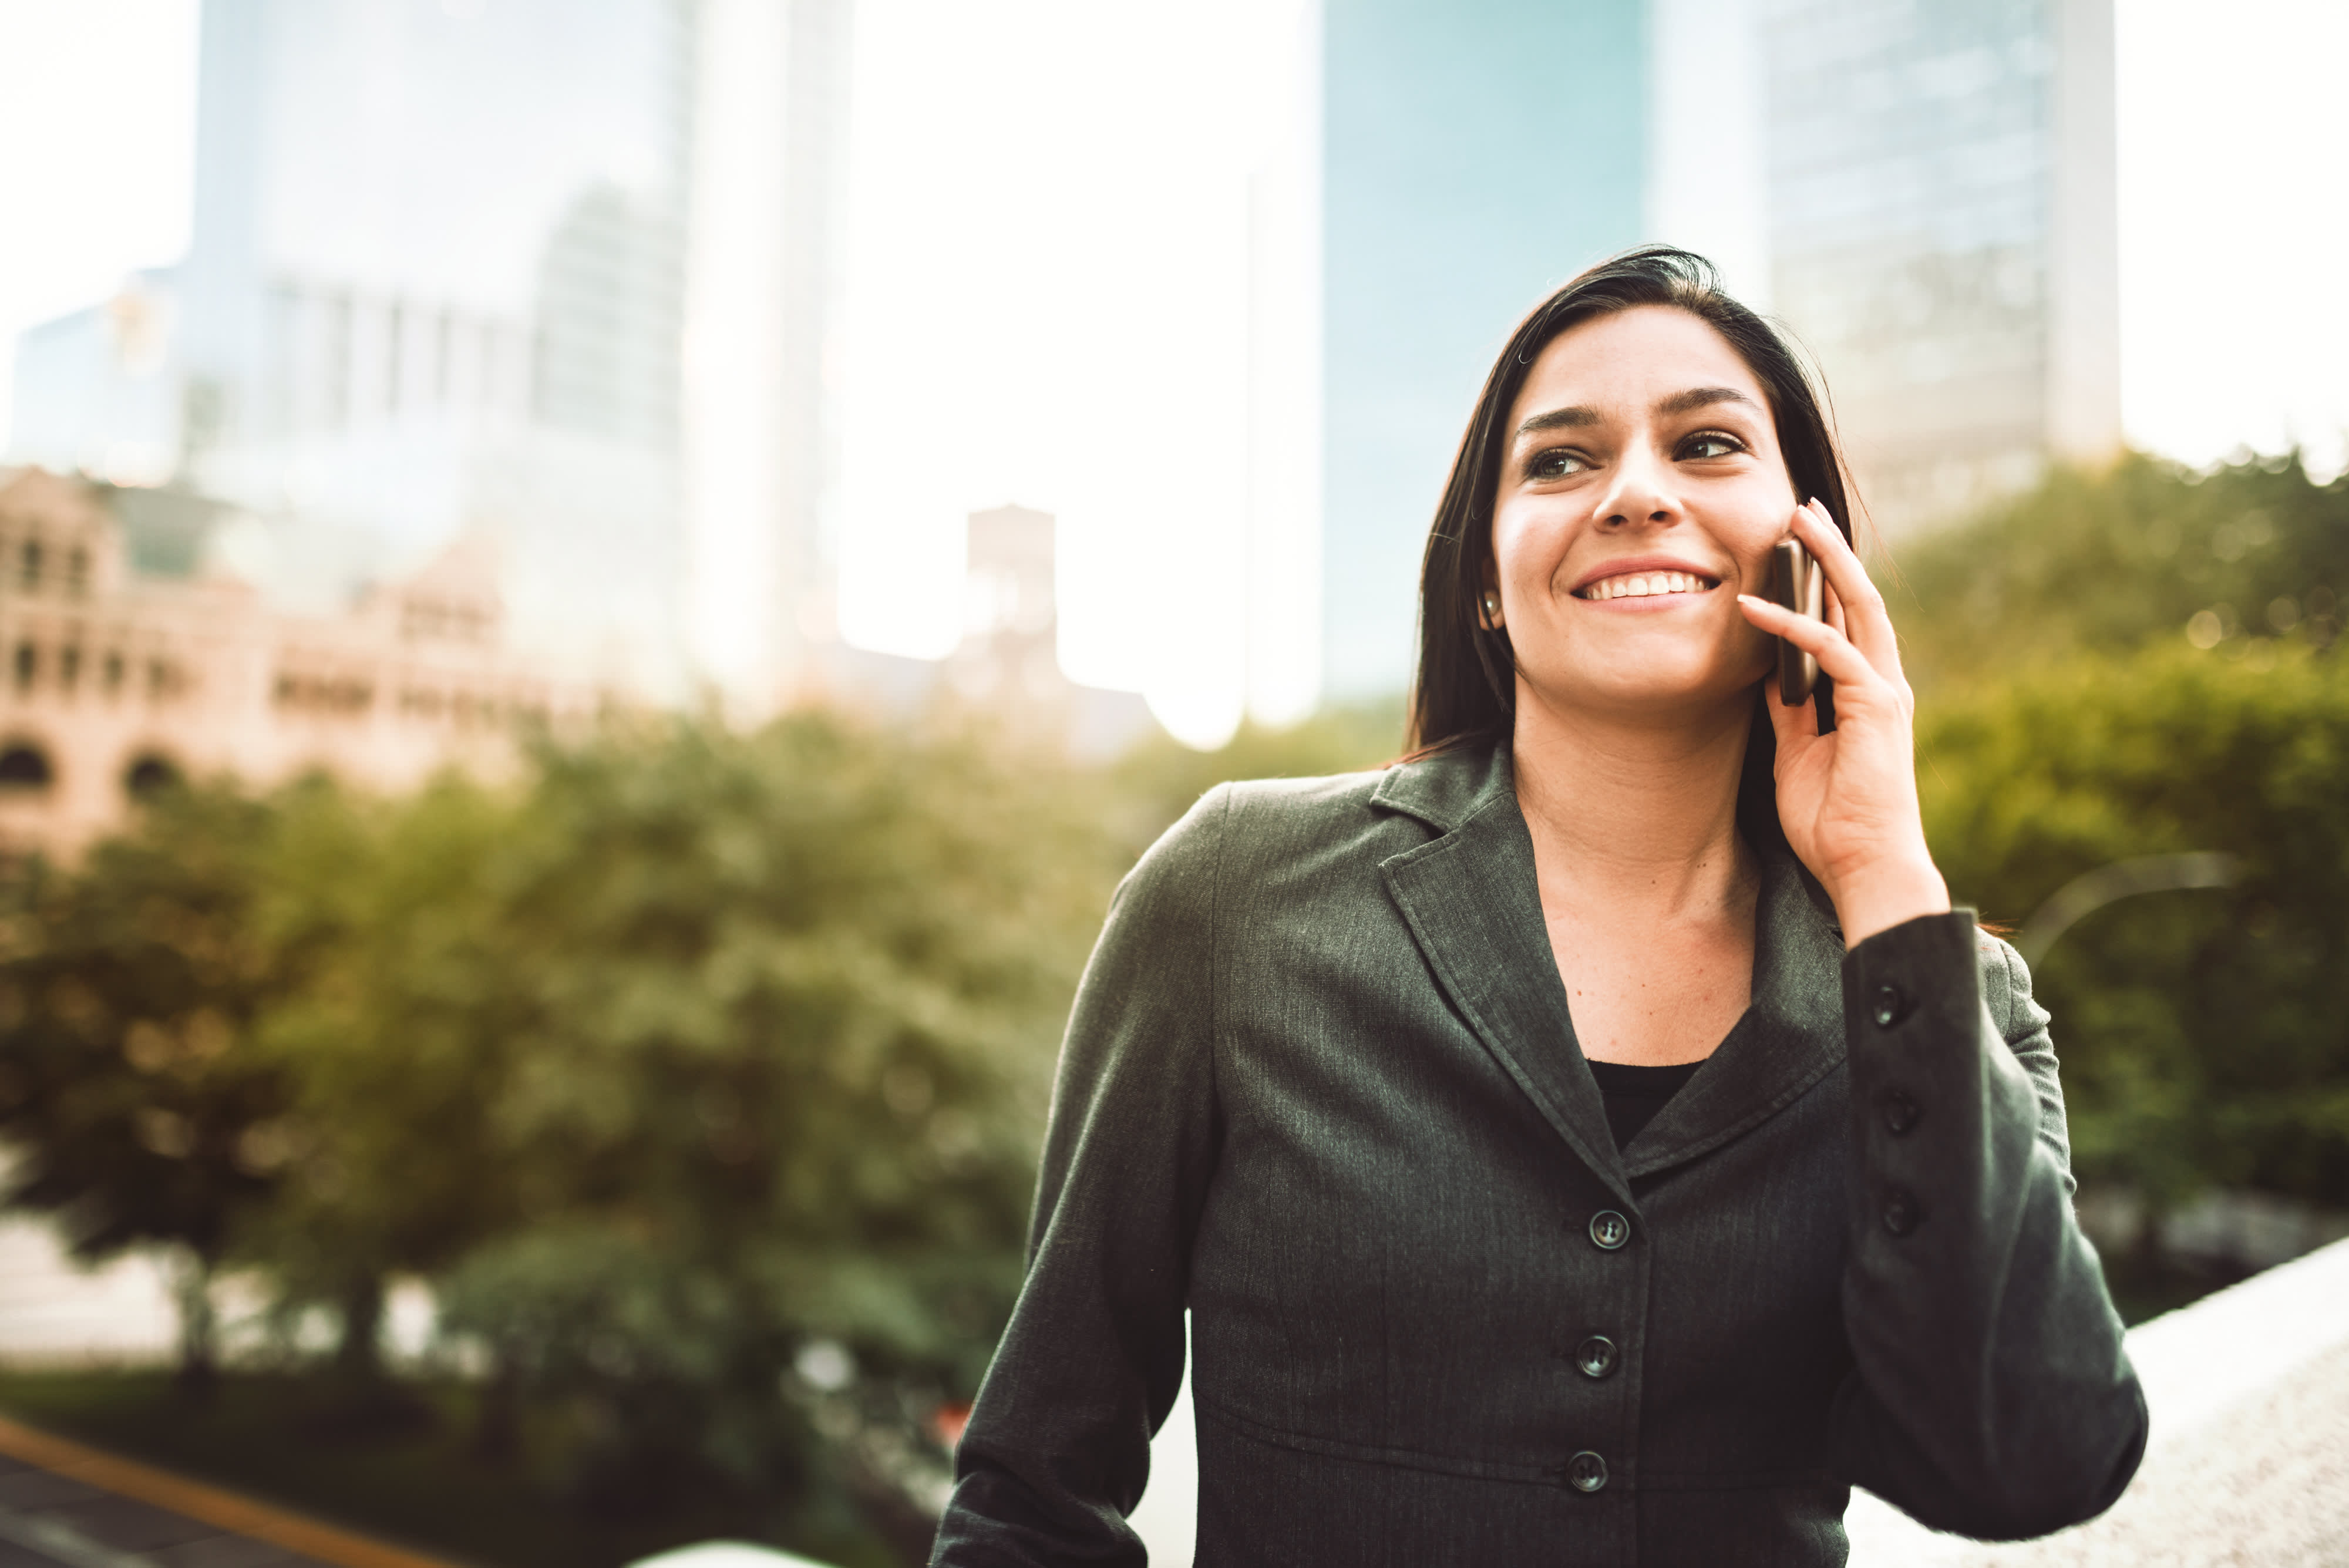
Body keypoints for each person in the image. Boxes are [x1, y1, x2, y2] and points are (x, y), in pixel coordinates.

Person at [930, 248, 2147, 1566]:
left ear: (1809, 547)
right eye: (1560, 461)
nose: (1633, 493)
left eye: (1706, 444)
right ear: (1480, 581)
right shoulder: (1233, 900)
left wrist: (1883, 878)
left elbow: (2032, 1462)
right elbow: (1030, 1498)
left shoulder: (1939, 1002)